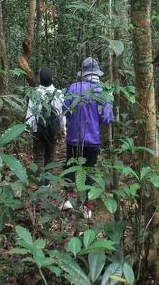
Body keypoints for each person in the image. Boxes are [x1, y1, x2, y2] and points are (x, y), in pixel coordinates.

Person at [61, 57, 113, 219]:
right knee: (89, 172)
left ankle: (68, 200)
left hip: (73, 138)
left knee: (70, 168)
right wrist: (109, 100)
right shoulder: (101, 91)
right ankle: (86, 208)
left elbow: (65, 111)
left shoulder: (73, 87)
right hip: (92, 139)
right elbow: (107, 118)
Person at [25, 67, 66, 186]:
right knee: (51, 155)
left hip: (38, 129)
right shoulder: (58, 93)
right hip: (53, 129)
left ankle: (41, 183)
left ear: (40, 79)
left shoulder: (35, 92)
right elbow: (60, 113)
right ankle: (48, 183)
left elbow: (31, 112)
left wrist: (29, 129)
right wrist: (63, 129)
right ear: (52, 79)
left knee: (38, 156)